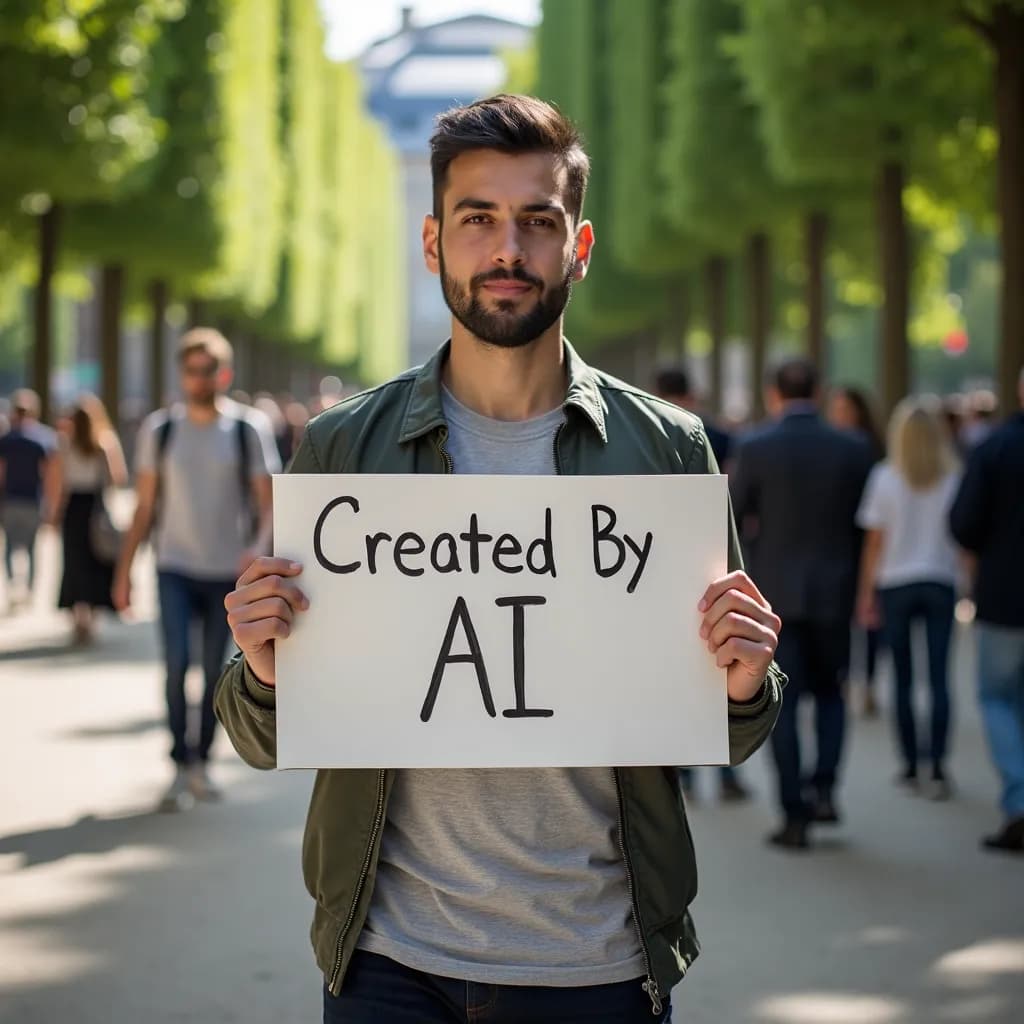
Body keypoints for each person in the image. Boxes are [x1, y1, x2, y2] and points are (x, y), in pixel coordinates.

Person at [214, 95, 785, 1023]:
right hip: (387, 962)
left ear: (580, 247)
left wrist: (744, 677)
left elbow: (724, 731)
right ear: (434, 243)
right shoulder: (340, 450)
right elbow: (263, 737)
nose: (507, 249)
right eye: (478, 220)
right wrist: (267, 670)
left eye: (537, 221)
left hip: (600, 963)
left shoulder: (670, 451)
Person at [113, 329, 280, 811]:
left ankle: (202, 761)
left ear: (223, 374)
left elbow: (268, 503)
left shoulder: (248, 429)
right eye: (190, 370)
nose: (198, 379)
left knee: (212, 670)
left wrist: (254, 547)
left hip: (229, 573)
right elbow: (144, 507)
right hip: (174, 566)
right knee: (174, 664)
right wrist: (123, 571)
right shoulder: (161, 430)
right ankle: (178, 762)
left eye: (207, 370)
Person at [732, 358, 872, 850]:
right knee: (832, 694)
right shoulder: (853, 448)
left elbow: (735, 517)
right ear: (819, 388)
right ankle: (826, 788)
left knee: (783, 702)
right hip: (836, 591)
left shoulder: (756, 446)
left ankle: (794, 812)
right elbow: (864, 524)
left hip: (775, 596)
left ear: (774, 394)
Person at [856, 396, 961, 800]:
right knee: (938, 678)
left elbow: (874, 544)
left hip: (896, 583)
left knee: (901, 678)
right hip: (939, 580)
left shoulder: (885, 477)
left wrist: (865, 594)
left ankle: (910, 764)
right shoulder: (952, 477)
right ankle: (937, 764)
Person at [655, 365, 750, 802]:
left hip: (663, 564)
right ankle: (727, 775)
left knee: (686, 665)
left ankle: (689, 774)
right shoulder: (717, 435)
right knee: (717, 660)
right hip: (714, 558)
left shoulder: (646, 430)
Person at [949, 368, 1024, 853]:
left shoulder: (996, 449)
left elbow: (964, 522)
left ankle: (1019, 801)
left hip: (1006, 595)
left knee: (998, 697)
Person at [45, 394, 127, 643]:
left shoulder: (64, 444)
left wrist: (53, 515)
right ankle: (91, 615)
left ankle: (78, 615)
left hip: (74, 509)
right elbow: (118, 477)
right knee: (95, 560)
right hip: (95, 506)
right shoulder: (105, 442)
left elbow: (58, 485)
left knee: (73, 562)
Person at [827, 385, 886, 718]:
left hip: (864, 544)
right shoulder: (835, 445)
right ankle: (850, 679)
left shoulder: (868, 449)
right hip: (842, 547)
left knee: (871, 620)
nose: (839, 415)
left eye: (845, 409)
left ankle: (870, 682)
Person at [0, 389, 57, 610]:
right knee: (32, 549)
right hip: (33, 500)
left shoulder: (6, 440)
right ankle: (30, 591)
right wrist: (51, 504)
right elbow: (50, 475)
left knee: (9, 548)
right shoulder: (43, 440)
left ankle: (14, 587)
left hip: (11, 499)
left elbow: (1, 473)